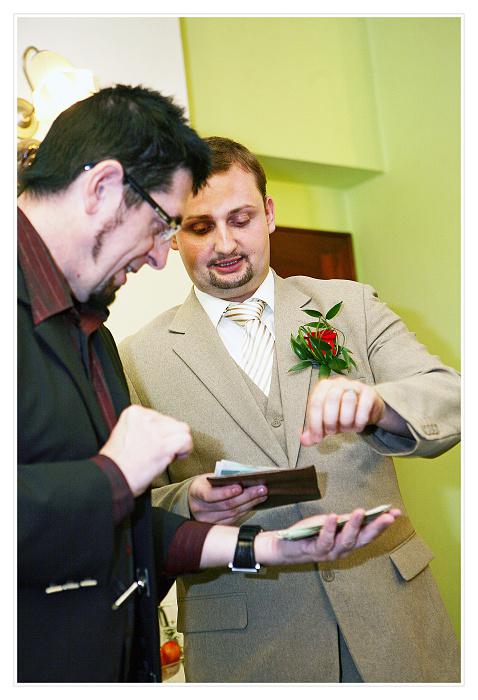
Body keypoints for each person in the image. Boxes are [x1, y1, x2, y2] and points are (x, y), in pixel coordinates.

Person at [17, 88, 400, 684]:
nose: (159, 257)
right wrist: (115, 475)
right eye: (162, 225)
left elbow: (118, 529)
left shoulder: (92, 333)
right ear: (102, 188)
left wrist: (263, 547)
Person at [119, 136, 461, 683]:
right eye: (201, 227)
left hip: (396, 626)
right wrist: (189, 500)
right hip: (249, 646)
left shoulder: (352, 306)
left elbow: (452, 398)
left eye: (241, 219)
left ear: (270, 214)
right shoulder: (135, 357)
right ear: (173, 234)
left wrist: (379, 404)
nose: (225, 243)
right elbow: (130, 512)